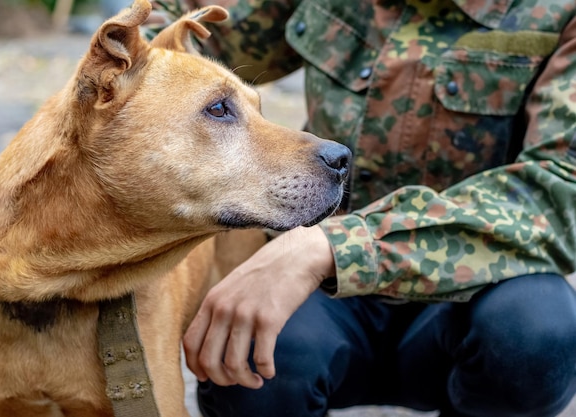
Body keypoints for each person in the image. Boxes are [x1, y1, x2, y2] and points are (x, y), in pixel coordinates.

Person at [149, 1, 576, 416]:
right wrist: (119, 54)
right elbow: (177, 44)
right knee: (243, 354)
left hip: (472, 296)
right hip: (326, 304)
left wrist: (332, 248)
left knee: (537, 331)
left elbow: (559, 188)